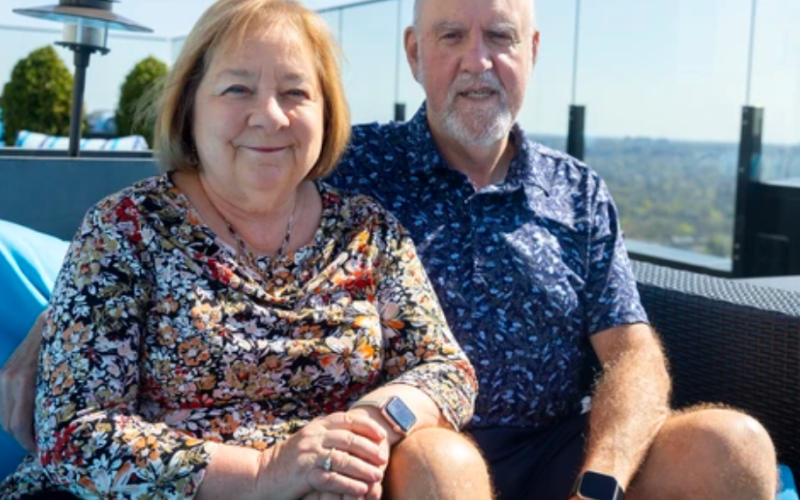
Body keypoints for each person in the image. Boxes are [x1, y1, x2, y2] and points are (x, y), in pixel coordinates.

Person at [0, 0, 780, 498]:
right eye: (452, 36)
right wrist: (63, 321)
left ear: (534, 49)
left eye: (500, 36)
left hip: (539, 451)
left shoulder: (556, 196)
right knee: (443, 466)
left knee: (732, 447)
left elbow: (626, 353)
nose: (478, 60)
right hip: (416, 464)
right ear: (413, 54)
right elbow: (205, 193)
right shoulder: (355, 162)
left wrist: (601, 479)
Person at [0, 0, 492, 499]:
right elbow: (75, 433)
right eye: (238, 89)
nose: (270, 116)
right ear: (191, 105)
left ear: (326, 111)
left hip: (335, 485)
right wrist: (266, 472)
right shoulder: (125, 229)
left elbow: (446, 370)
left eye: (295, 92)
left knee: (444, 460)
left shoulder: (368, 232)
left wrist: (366, 429)